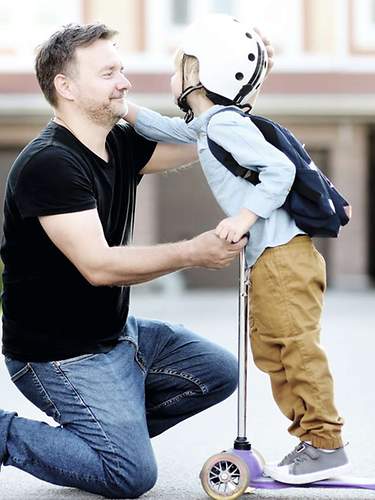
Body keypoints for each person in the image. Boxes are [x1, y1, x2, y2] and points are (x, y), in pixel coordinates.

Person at [0, 23, 253, 498]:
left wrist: (237, 88)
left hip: (117, 336)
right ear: (66, 87)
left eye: (123, 69)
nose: (125, 82)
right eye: (109, 72)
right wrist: (192, 252)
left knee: (218, 372)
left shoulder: (118, 142)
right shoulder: (50, 164)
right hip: (57, 356)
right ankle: (15, 436)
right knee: (129, 476)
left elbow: (207, 143)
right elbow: (99, 266)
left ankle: (107, 438)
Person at [125, 13, 350, 485]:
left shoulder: (226, 124)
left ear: (204, 72)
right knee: (272, 351)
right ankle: (311, 441)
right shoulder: (211, 124)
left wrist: (243, 217)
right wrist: (124, 111)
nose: (173, 74)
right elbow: (169, 130)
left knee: (294, 348)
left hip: (283, 256)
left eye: (181, 65)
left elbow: (278, 171)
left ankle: (325, 442)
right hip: (270, 259)